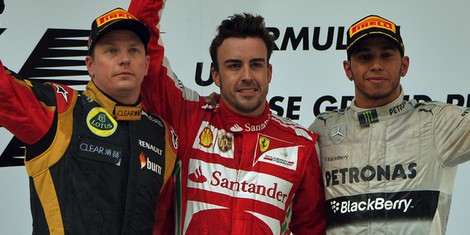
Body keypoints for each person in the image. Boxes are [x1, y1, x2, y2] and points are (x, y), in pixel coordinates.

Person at [128, 0, 326, 234]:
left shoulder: (300, 145)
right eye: (234, 66)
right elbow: (140, 35)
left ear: (269, 72)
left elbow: (312, 230)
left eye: (256, 65)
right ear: (216, 75)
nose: (247, 76)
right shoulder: (188, 117)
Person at [0, 7, 177, 234]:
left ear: (145, 65)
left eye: (133, 51)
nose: (124, 59)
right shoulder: (59, 110)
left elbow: (162, 225)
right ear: (90, 65)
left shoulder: (162, 136)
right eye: (111, 51)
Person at [309, 14, 470, 234]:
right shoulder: (324, 128)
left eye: (386, 56)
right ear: (348, 69)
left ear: (404, 65)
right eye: (365, 57)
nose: (376, 65)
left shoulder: (436, 122)